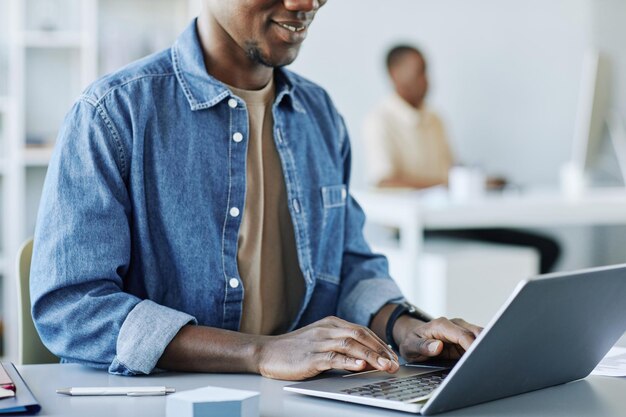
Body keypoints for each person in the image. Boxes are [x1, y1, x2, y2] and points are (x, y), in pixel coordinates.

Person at [30, 1, 481, 380]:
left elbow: (348, 265)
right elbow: (72, 308)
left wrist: (404, 325)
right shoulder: (112, 114)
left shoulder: (319, 115)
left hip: (304, 401)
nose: (307, 3)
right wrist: (260, 352)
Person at [363, 44, 560, 274]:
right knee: (540, 249)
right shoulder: (379, 121)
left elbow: (451, 169)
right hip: (420, 226)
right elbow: (384, 181)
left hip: (453, 217)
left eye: (427, 72)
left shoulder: (435, 118)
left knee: (546, 247)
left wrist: (477, 180)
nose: (427, 80)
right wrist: (446, 183)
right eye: (420, 71)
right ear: (395, 74)